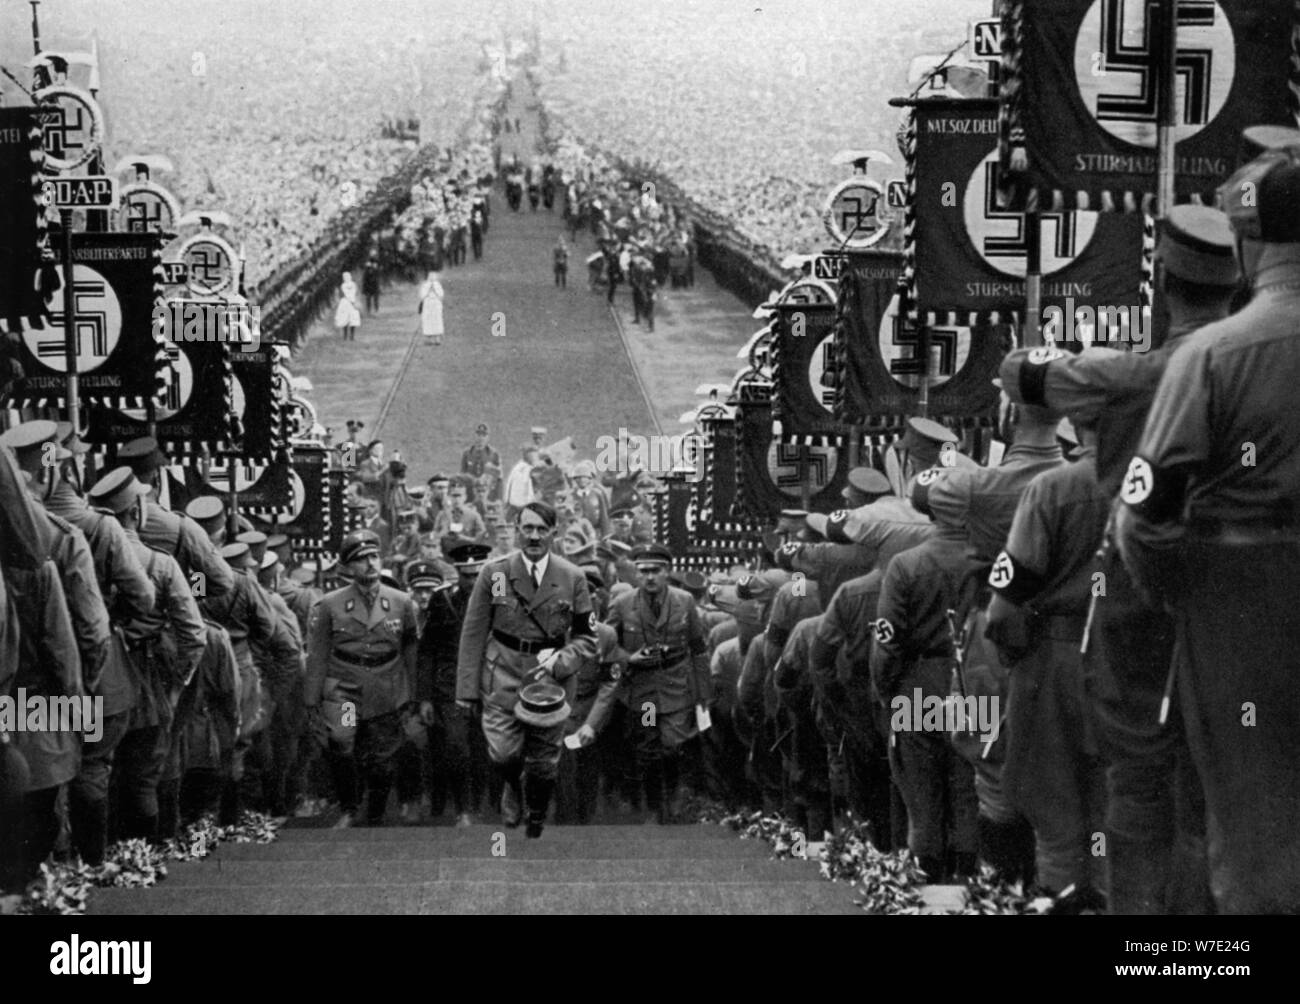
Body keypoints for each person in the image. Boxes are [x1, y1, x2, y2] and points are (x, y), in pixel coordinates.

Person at [1116, 151, 1300, 914]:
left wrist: (1181, 592)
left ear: (1245, 241)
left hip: (1241, 602)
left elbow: (1143, 517)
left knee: (1251, 826)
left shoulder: (1216, 353)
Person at [455, 501, 598, 839]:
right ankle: (511, 787)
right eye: (527, 528)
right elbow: (474, 632)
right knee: (504, 753)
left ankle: (535, 815)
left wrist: (562, 661)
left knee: (544, 762)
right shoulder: (497, 573)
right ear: (517, 530)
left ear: (554, 533)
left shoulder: (572, 577)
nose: (534, 536)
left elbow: (587, 639)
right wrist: (465, 691)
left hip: (550, 681)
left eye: (541, 530)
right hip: (502, 672)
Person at [304, 530, 420, 828]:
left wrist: (414, 693)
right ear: (348, 568)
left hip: (385, 686)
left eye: (373, 557)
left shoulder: (401, 601)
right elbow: (318, 653)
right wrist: (312, 698)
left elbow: (410, 647)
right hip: (345, 688)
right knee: (342, 742)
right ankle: (349, 807)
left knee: (382, 757)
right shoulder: (330, 604)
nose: (369, 564)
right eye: (360, 560)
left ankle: (376, 814)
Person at [606, 544, 712, 824]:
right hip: (644, 689)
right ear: (637, 574)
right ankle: (656, 807)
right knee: (650, 745)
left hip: (676, 684)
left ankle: (674, 799)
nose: (650, 577)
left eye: (656, 571)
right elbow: (605, 646)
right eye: (644, 571)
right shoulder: (622, 603)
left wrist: (703, 693)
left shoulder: (685, 601)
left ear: (667, 572)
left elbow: (698, 648)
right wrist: (629, 657)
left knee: (673, 745)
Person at [418, 269, 445, 346]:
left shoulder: (432, 285)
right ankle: (431, 339)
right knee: (431, 320)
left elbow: (422, 296)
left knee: (434, 320)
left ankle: (434, 339)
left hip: (433, 305)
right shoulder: (430, 285)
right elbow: (441, 295)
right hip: (430, 305)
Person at [335, 271, 362, 341]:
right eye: (345, 277)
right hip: (346, 303)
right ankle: (345, 336)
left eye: (348, 277)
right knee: (345, 319)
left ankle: (351, 336)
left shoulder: (353, 284)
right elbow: (344, 294)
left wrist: (356, 301)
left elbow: (356, 293)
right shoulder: (343, 285)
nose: (347, 278)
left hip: (352, 303)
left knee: (353, 319)